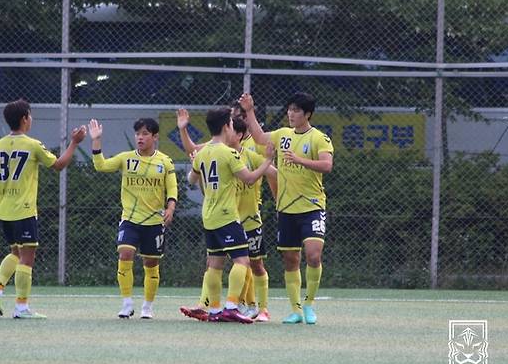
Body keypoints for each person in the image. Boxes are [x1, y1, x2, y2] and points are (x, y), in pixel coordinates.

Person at [0, 99, 86, 319]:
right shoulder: (32, 144)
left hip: (4, 209)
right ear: (25, 118)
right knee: (27, 257)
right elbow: (59, 165)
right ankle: (21, 307)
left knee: (15, 252)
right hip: (24, 210)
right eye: (30, 115)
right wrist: (74, 143)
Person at [241, 92, 333, 325]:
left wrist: (300, 160)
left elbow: (327, 165)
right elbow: (260, 137)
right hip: (287, 209)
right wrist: (250, 111)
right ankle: (296, 310)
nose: (291, 114)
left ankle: (310, 304)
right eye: (289, 110)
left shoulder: (319, 138)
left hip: (312, 206)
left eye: (296, 111)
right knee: (290, 259)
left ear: (308, 114)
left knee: (313, 255)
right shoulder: (282, 135)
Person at [176, 105, 277, 318]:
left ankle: (213, 309)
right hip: (227, 215)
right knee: (242, 261)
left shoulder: (203, 153)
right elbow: (249, 179)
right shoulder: (230, 153)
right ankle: (231, 307)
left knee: (214, 263)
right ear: (226, 126)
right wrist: (267, 160)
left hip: (209, 216)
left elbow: (191, 180)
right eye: (231, 123)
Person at [88, 118, 177, 319]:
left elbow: (172, 188)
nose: (140, 137)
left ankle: (147, 306)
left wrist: (170, 207)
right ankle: (127, 303)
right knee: (125, 254)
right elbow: (101, 165)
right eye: (138, 133)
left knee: (151, 264)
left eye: (145, 133)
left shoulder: (165, 161)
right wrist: (96, 141)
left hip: (154, 221)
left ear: (155, 137)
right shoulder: (126, 158)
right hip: (130, 219)